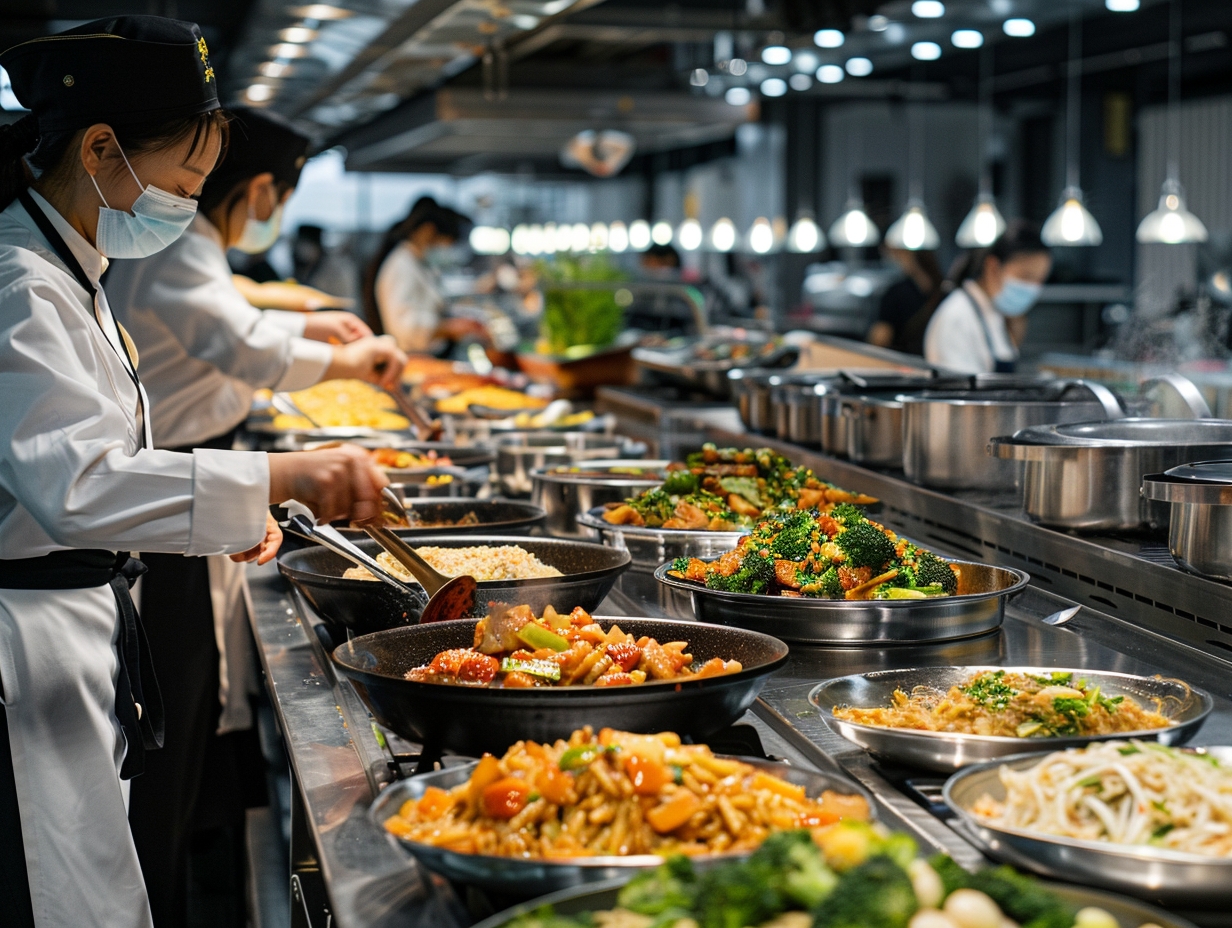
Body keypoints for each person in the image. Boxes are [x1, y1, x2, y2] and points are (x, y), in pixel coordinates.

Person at [0, 17, 389, 928]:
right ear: (100, 149)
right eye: (181, 182)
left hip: (76, 620)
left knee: (94, 879)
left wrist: (236, 505)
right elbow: (76, 485)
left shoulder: (70, 268)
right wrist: (280, 478)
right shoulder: (21, 285)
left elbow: (98, 456)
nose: (185, 205)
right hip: (26, 640)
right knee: (57, 892)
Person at [105, 106, 407, 927]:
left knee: (199, 714)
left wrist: (311, 328)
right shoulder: (166, 242)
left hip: (194, 481)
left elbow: (232, 317)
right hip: (168, 498)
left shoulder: (181, 243)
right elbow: (233, 340)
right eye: (185, 175)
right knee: (175, 720)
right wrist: (341, 362)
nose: (191, 194)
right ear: (263, 186)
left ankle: (200, 882)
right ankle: (181, 893)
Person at [923, 221, 1051, 374]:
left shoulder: (997, 314)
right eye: (1026, 276)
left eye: (1040, 280)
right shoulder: (958, 316)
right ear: (993, 267)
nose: (1033, 287)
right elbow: (959, 389)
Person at [364, 196, 484, 352]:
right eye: (445, 243)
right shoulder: (401, 264)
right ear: (427, 232)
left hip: (422, 355)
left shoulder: (416, 262)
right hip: (410, 358)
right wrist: (448, 328)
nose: (445, 251)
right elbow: (404, 328)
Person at [868, 246, 943, 355]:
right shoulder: (943, 289)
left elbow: (879, 338)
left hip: (903, 363)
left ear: (908, 254)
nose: (893, 258)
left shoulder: (896, 293)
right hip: (934, 361)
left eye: (896, 253)